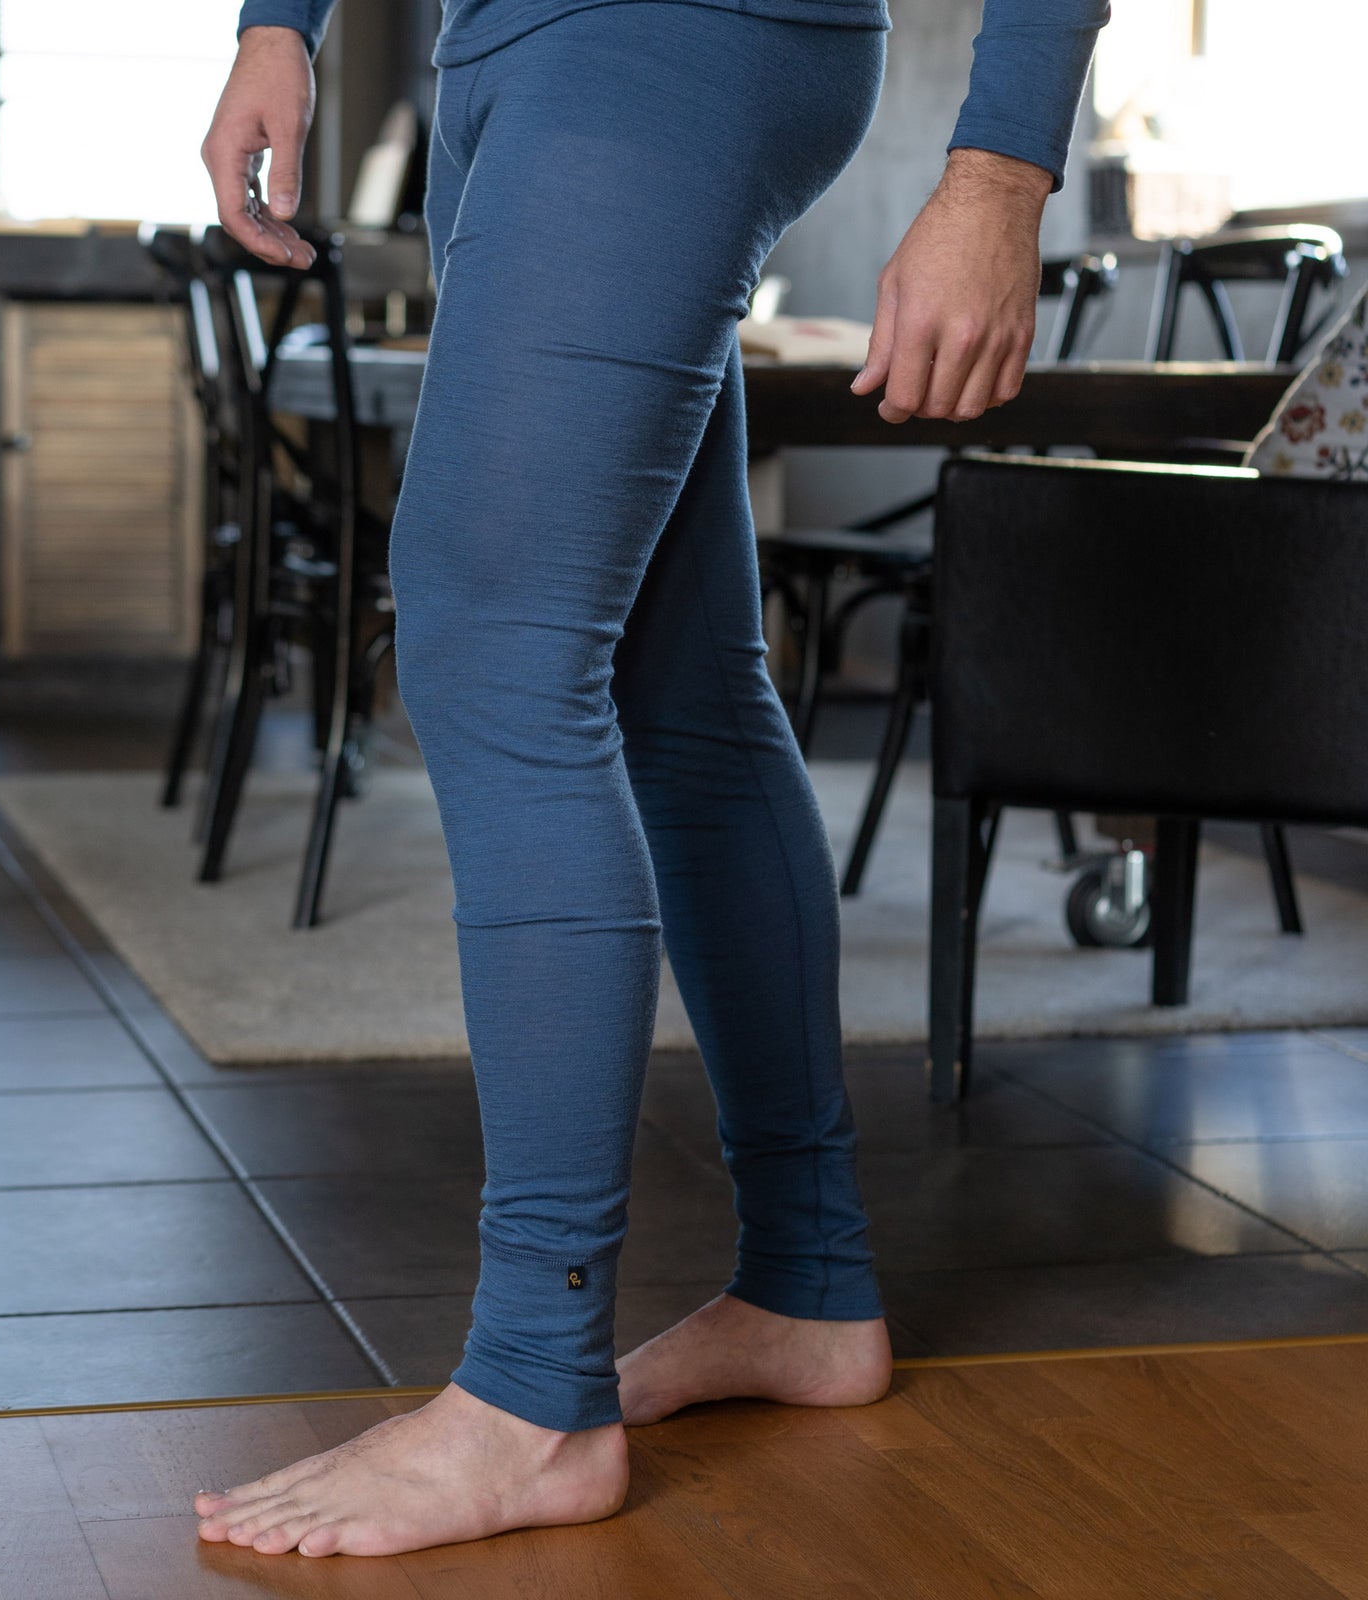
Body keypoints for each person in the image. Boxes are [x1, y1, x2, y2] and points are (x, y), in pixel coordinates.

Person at [193, 0, 1108, 1560]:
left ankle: (536, 1391)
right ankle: (807, 1286)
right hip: (517, 60)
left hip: (669, 43)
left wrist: (1004, 164)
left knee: (496, 653)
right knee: (686, 695)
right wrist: (277, 26)